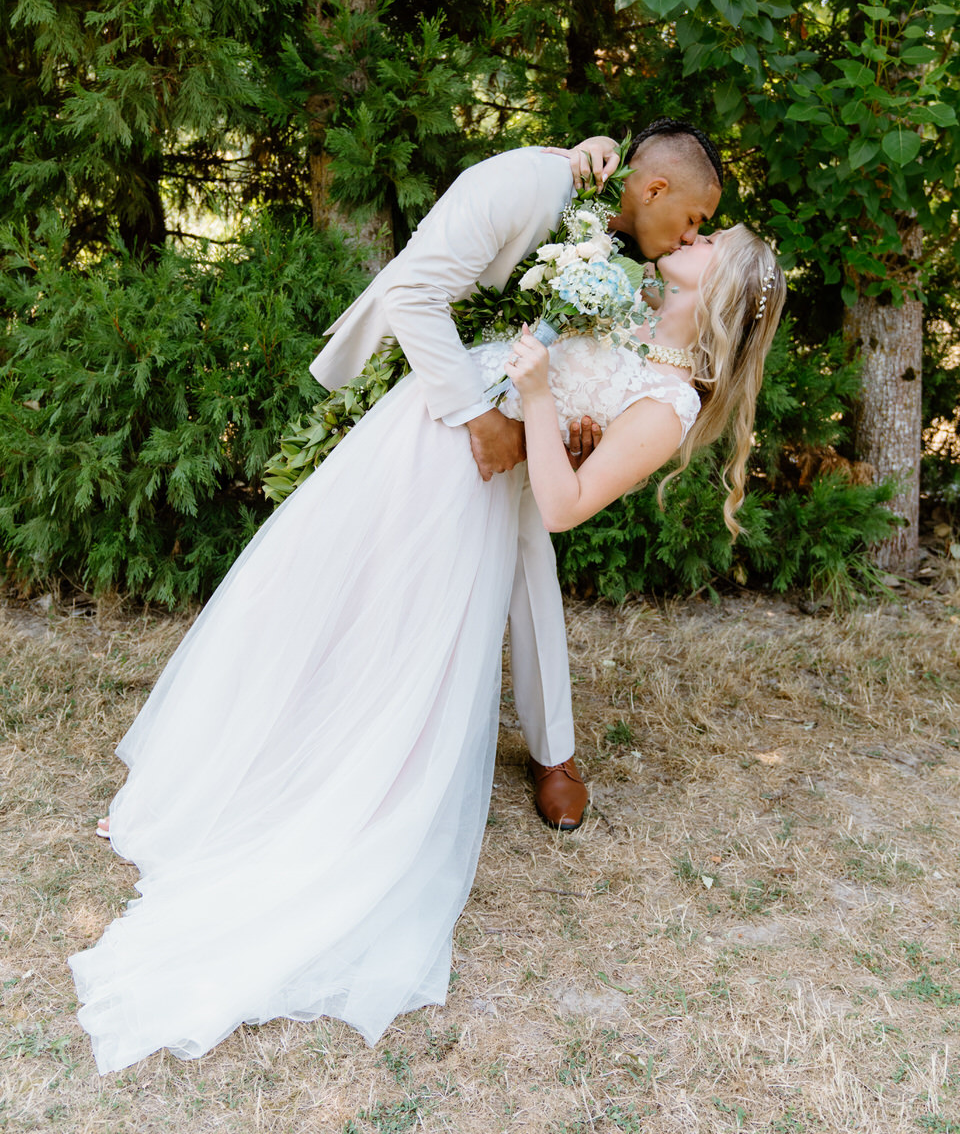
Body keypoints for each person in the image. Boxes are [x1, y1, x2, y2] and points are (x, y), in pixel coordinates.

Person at [70, 157, 784, 1074]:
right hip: (437, 428)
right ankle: (224, 779)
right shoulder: (633, 302)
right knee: (323, 593)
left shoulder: (671, 400)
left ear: (721, 288)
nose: (693, 237)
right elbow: (564, 372)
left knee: (389, 633)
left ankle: (310, 794)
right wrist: (545, 402)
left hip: (471, 476)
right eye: (699, 223)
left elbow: (564, 502)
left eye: (709, 240)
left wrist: (535, 404)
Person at [309, 119, 724, 830]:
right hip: (441, 386)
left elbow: (603, 349)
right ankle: (350, 720)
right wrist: (481, 418)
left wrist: (579, 424)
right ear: (654, 188)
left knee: (533, 569)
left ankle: (551, 752)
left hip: (526, 418)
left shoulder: (632, 247)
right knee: (381, 561)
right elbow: (413, 294)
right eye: (694, 220)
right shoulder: (527, 186)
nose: (691, 238)